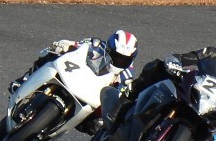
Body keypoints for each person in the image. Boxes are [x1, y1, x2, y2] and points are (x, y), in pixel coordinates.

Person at [115, 31, 216, 130]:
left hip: (209, 114)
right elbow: (188, 58)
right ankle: (130, 94)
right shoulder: (213, 53)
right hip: (193, 91)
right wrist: (176, 63)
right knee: (158, 66)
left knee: (207, 138)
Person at [9, 30, 138, 94]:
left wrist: (123, 90)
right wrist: (64, 45)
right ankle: (25, 79)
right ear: (109, 48)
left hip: (92, 94)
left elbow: (124, 90)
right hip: (76, 73)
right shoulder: (97, 45)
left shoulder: (128, 73)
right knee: (55, 53)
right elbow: (77, 44)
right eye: (116, 56)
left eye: (124, 59)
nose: (119, 60)